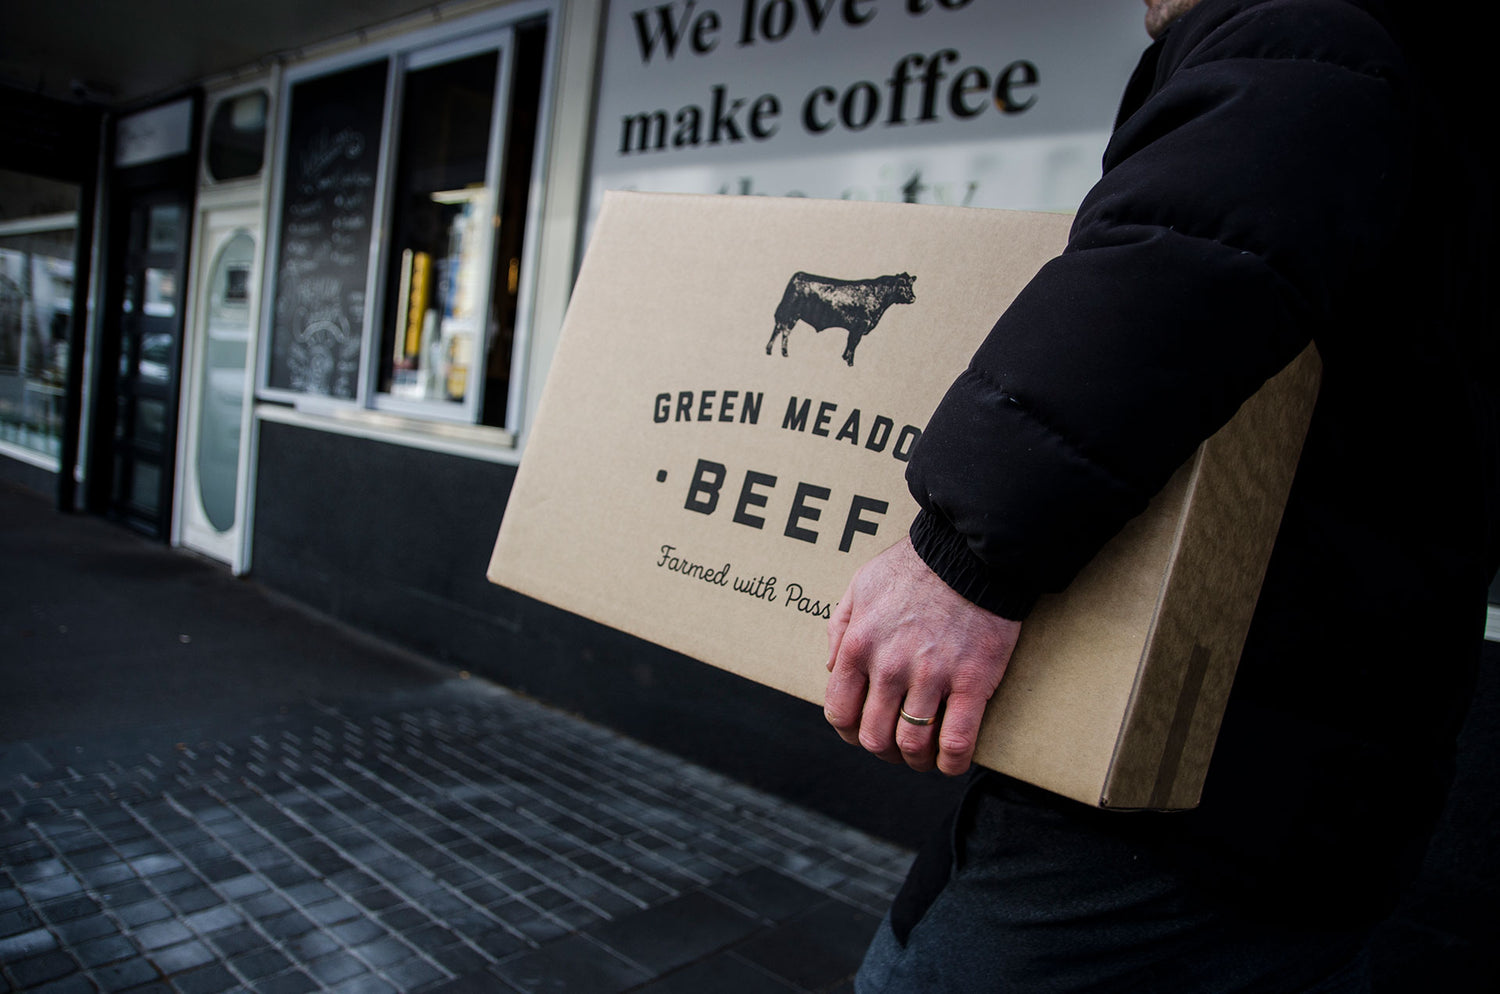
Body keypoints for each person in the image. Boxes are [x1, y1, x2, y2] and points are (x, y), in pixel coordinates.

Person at [824, 0, 1498, 990]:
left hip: (1187, 764)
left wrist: (962, 555)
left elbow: (1188, 250)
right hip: (1337, 764)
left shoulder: (1315, 28)